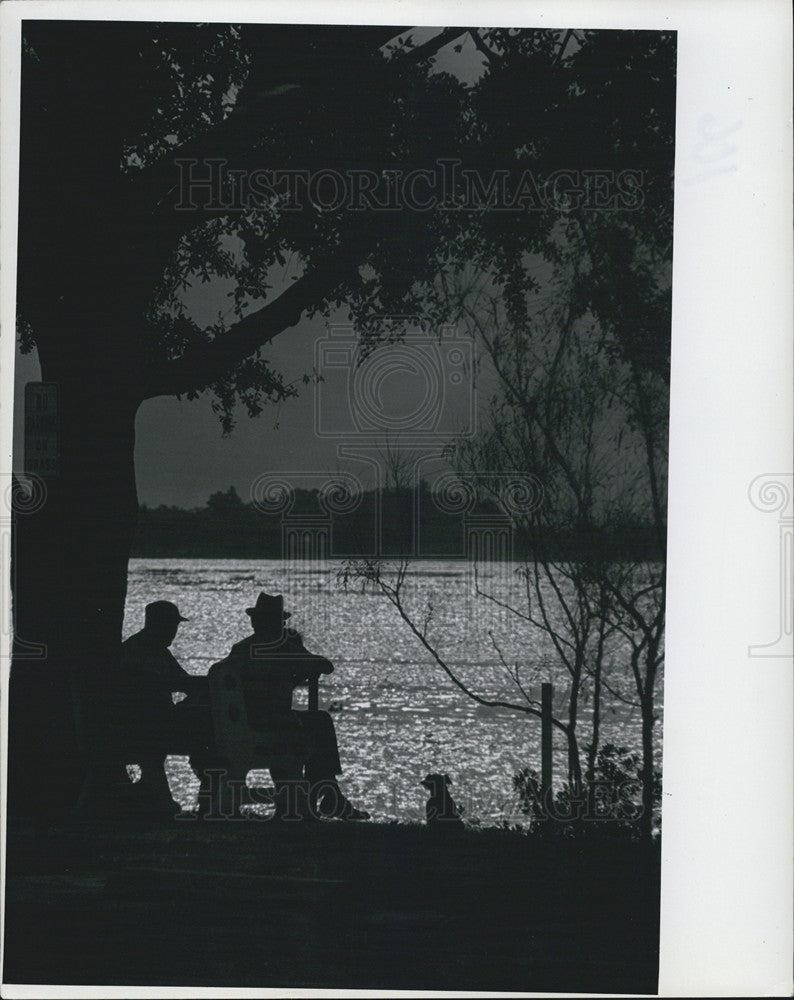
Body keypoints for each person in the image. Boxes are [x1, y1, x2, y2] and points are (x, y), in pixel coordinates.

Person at [211, 592, 369, 820]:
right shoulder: (283, 647)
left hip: (243, 723)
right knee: (319, 722)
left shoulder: (242, 649)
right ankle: (328, 793)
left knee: (314, 724)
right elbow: (325, 666)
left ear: (255, 621)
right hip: (270, 723)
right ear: (278, 622)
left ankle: (328, 794)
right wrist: (295, 647)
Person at [120, 600, 210, 810]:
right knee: (206, 732)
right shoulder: (139, 651)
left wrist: (199, 691)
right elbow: (171, 683)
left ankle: (207, 793)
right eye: (171, 626)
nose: (173, 632)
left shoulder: (154, 650)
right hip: (144, 724)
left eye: (175, 627)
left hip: (154, 722)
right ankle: (209, 796)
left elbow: (184, 681)